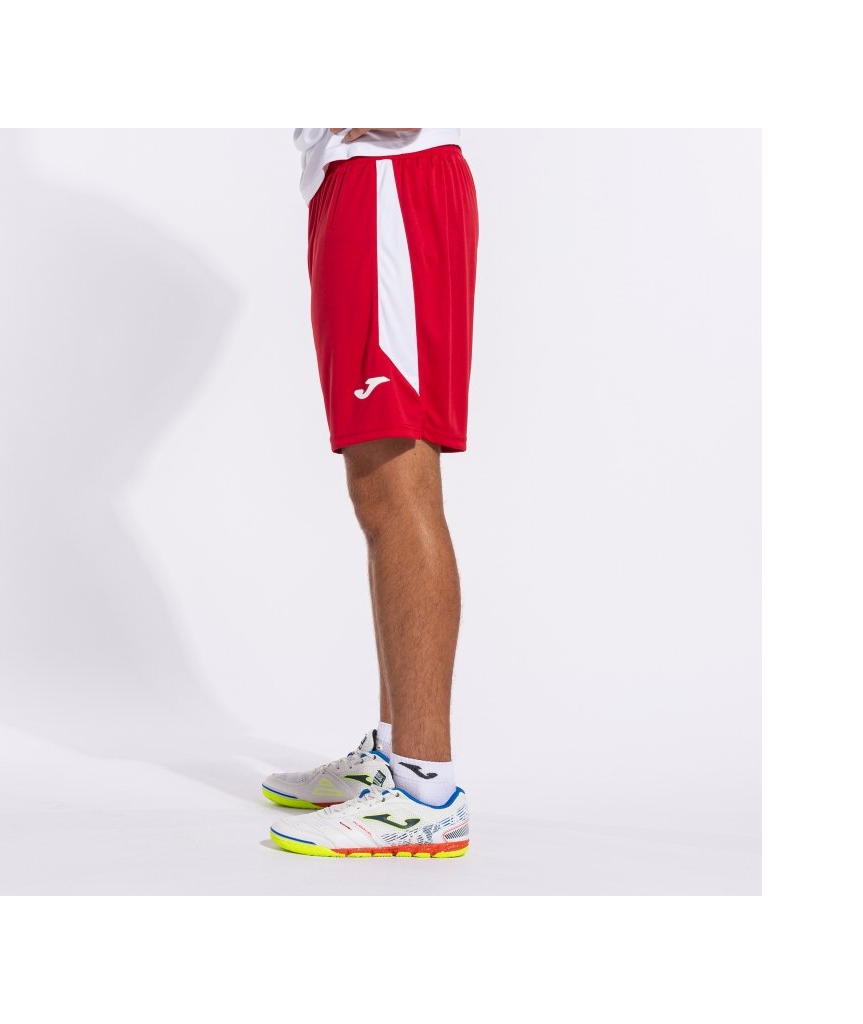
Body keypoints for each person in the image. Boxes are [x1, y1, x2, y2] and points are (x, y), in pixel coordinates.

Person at [263, 128, 479, 858]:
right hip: (360, 190)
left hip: (391, 184)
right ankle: (393, 757)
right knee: (376, 486)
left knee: (396, 482)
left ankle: (425, 794)